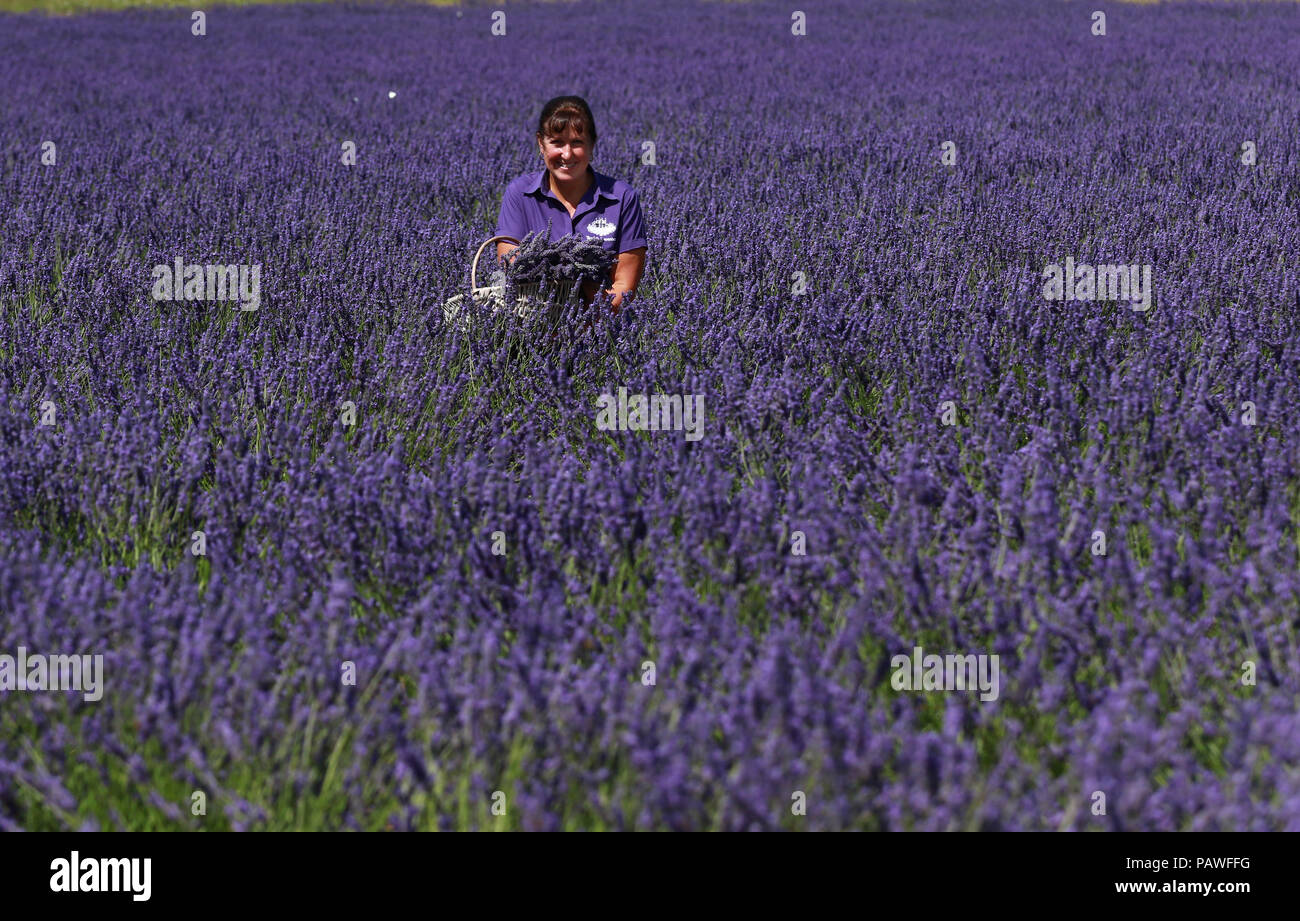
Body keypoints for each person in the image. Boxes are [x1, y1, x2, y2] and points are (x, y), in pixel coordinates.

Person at [494, 96, 647, 312]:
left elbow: (625, 287)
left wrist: (584, 324)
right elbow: (510, 265)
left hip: (604, 331)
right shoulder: (520, 194)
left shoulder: (622, 198)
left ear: (592, 145)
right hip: (532, 327)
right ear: (541, 144)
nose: (567, 154)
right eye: (557, 142)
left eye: (577, 142)